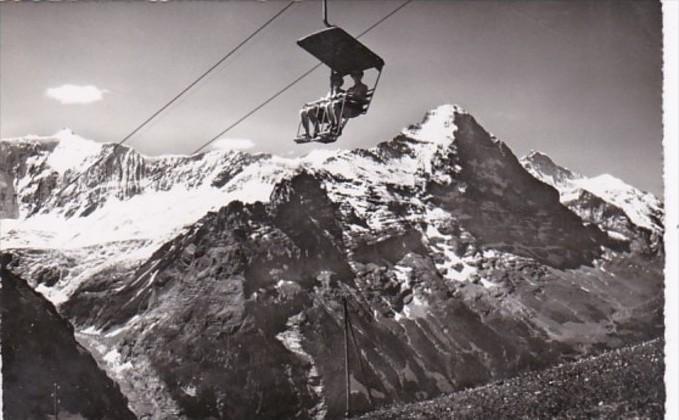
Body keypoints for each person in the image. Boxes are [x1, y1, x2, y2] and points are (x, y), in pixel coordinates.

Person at [299, 72, 345, 140]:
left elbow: (341, 103)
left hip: (330, 113)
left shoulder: (342, 92)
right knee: (303, 111)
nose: (336, 83)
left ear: (340, 83)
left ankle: (330, 126)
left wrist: (336, 98)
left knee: (323, 106)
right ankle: (309, 133)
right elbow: (323, 101)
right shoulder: (330, 93)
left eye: (337, 81)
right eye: (334, 81)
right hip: (322, 111)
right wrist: (310, 103)